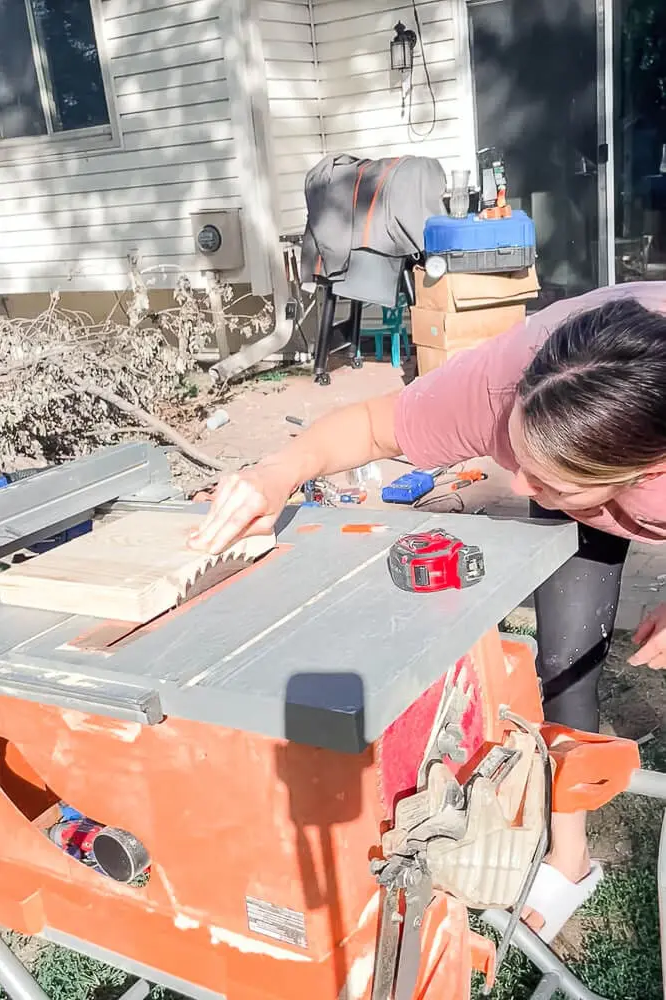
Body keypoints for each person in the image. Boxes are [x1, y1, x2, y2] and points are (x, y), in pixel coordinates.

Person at [189, 283, 666, 941]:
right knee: (563, 663)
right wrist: (277, 473)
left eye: (551, 481)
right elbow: (368, 427)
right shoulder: (504, 385)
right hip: (598, 420)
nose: (519, 488)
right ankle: (570, 857)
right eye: (516, 455)